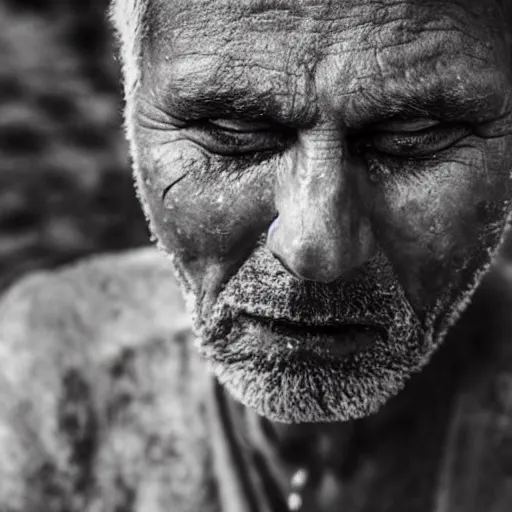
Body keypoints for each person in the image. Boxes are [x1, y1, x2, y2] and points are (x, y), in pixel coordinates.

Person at [1, 0, 512, 510]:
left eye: (413, 136)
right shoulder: (45, 386)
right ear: (131, 118)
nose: (315, 249)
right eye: (234, 133)